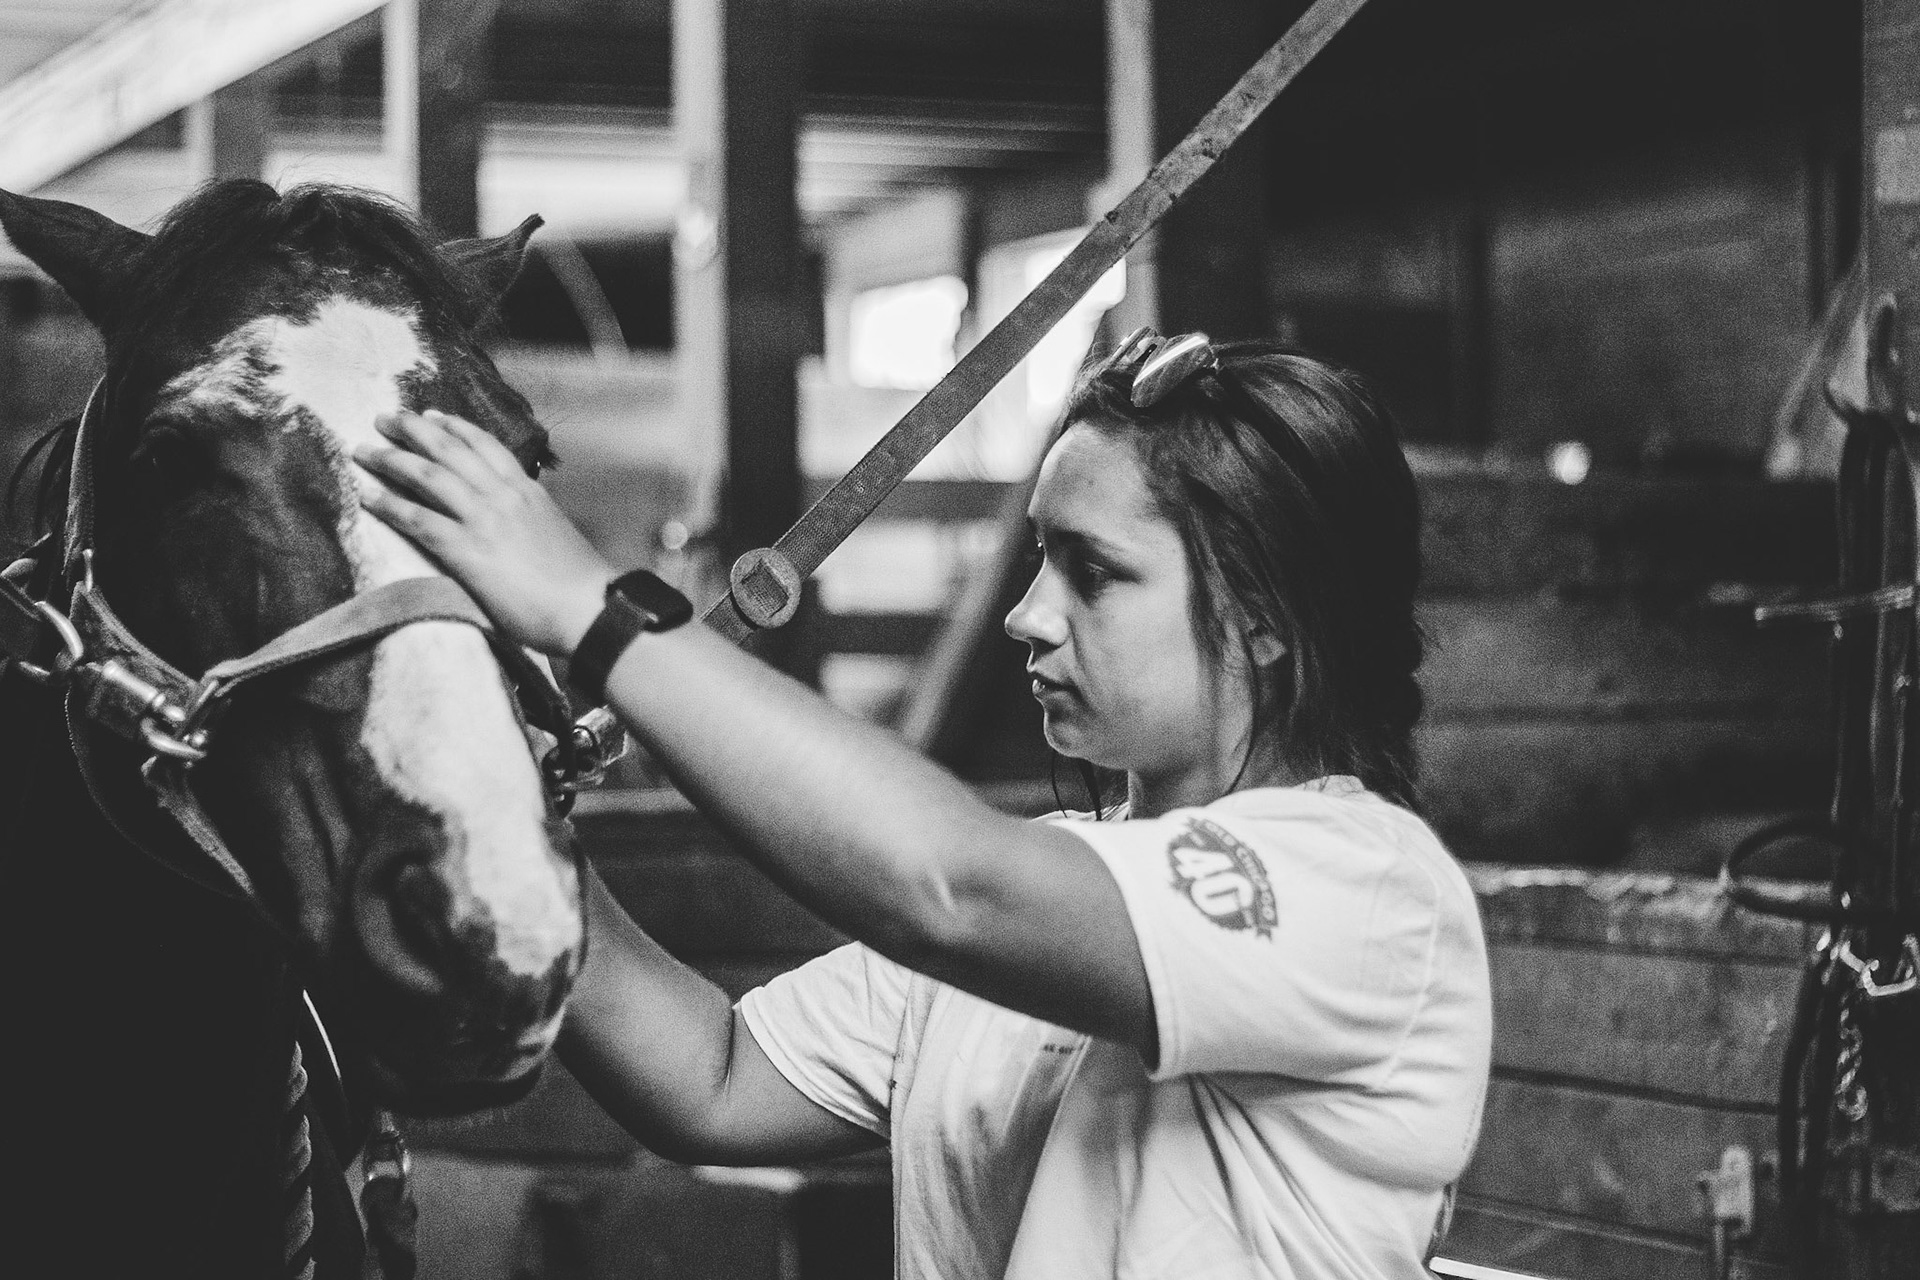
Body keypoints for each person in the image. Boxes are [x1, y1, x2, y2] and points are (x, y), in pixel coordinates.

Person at [355, 329, 1492, 1280]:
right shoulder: (1049, 884)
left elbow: (947, 885)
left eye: (1092, 571)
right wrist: (513, 809)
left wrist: (593, 612)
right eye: (1038, 559)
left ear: (1262, 616)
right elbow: (715, 1080)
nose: (1028, 615)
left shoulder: (1363, 887)